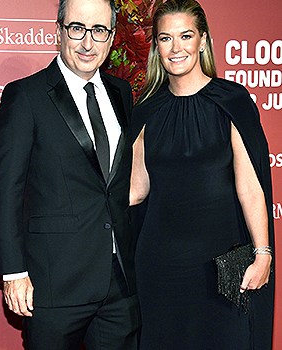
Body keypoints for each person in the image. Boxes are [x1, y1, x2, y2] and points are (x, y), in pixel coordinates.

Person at [0, 0, 140, 349]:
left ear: (112, 36)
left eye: (99, 30)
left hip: (119, 286)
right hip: (55, 284)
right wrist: (13, 273)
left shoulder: (122, 93)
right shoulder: (25, 96)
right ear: (58, 30)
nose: (88, 43)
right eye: (77, 28)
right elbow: (6, 191)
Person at [130, 0, 274, 349]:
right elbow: (134, 192)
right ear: (156, 47)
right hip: (160, 267)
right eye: (165, 38)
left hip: (220, 267)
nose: (176, 48)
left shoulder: (231, 101)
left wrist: (264, 251)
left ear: (202, 40)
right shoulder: (146, 111)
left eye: (186, 36)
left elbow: (251, 187)